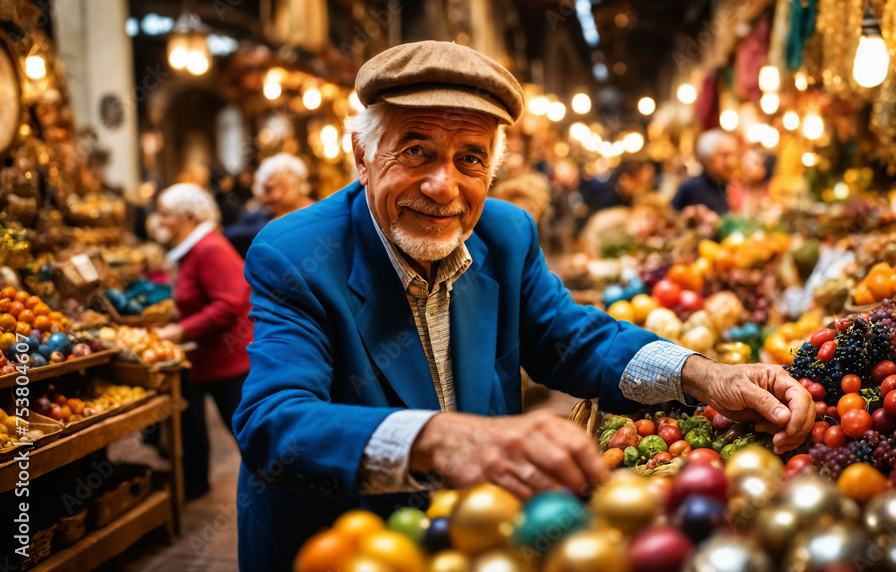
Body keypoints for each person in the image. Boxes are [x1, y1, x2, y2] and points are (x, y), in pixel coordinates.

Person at [234, 41, 814, 571]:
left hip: (479, 541)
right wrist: (448, 438)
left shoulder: (505, 234)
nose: (445, 186)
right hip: (345, 548)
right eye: (416, 150)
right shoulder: (296, 256)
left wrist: (704, 375)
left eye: (470, 158)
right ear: (362, 154)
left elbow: (573, 337)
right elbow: (273, 421)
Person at [154, 183, 253, 500]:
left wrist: (180, 330)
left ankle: (282, 496)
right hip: (206, 360)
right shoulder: (192, 249)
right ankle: (195, 487)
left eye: (165, 214)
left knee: (248, 436)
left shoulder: (209, 247)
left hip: (229, 361)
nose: (160, 221)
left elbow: (228, 304)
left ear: (187, 216)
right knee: (195, 428)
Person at [671, 129, 739, 215]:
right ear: (707, 160)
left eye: (734, 154)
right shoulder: (690, 188)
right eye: (724, 156)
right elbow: (672, 218)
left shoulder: (736, 186)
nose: (731, 162)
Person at [250, 153, 315, 219]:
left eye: (269, 190)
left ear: (292, 184)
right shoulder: (267, 219)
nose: (265, 199)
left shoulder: (315, 217)